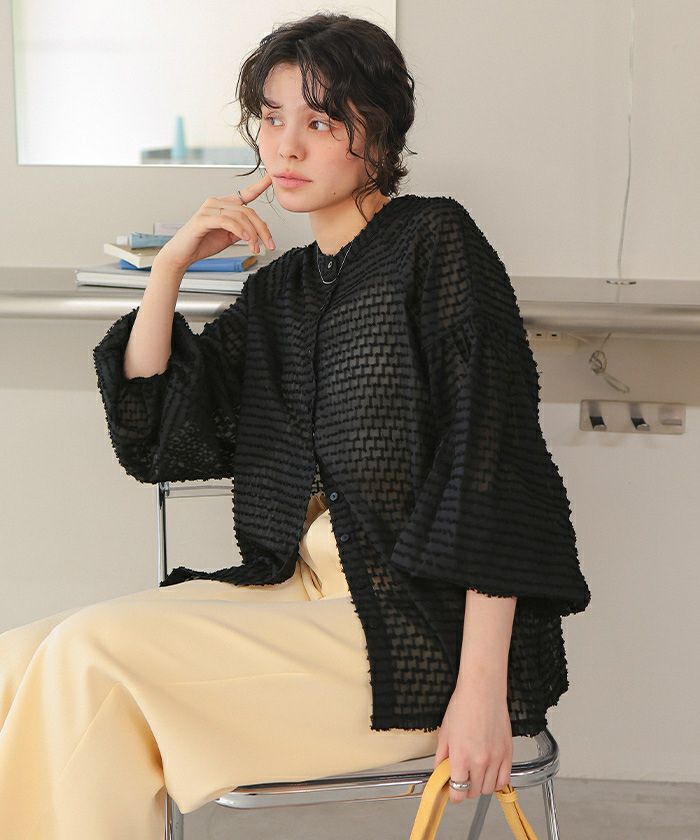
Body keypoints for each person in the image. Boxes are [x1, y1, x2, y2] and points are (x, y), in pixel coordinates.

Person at [0, 12, 591, 839]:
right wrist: (170, 267)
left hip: (415, 631)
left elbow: (491, 467)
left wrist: (481, 690)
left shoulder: (435, 243)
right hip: (295, 597)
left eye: (319, 122)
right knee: (17, 658)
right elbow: (163, 435)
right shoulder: (282, 291)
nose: (285, 147)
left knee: (87, 657)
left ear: (379, 134)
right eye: (272, 118)